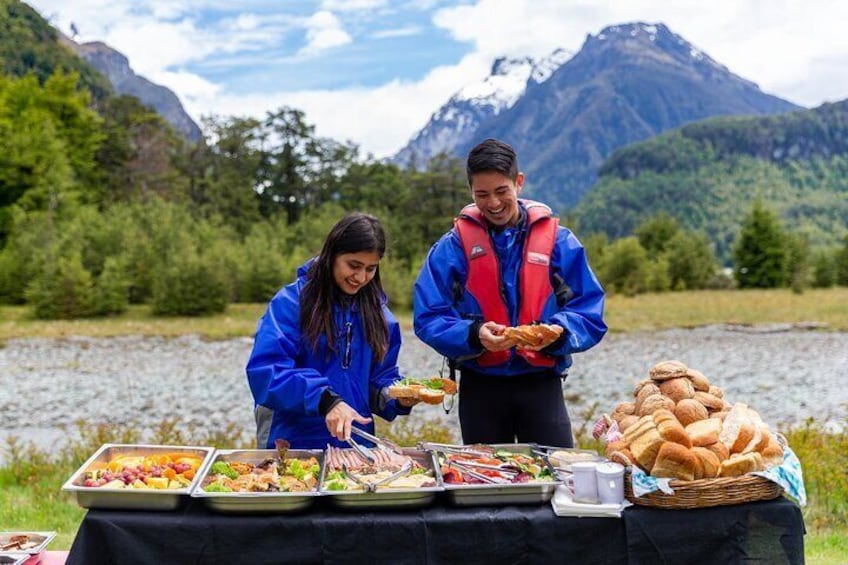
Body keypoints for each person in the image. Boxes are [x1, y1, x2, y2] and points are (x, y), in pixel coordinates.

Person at [413, 138, 607, 447]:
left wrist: (560, 332)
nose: (493, 203)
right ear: (470, 192)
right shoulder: (452, 247)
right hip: (480, 386)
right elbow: (429, 316)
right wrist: (475, 334)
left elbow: (589, 308)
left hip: (542, 382)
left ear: (518, 182)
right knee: (485, 484)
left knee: (556, 474)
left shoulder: (559, 241)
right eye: (482, 194)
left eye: (501, 191)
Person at [246, 212, 417, 450]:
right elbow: (266, 373)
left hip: (354, 446)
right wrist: (324, 399)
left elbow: (379, 380)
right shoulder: (291, 303)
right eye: (353, 265)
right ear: (332, 255)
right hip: (290, 443)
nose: (360, 277)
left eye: (371, 269)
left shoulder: (380, 317)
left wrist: (397, 395)